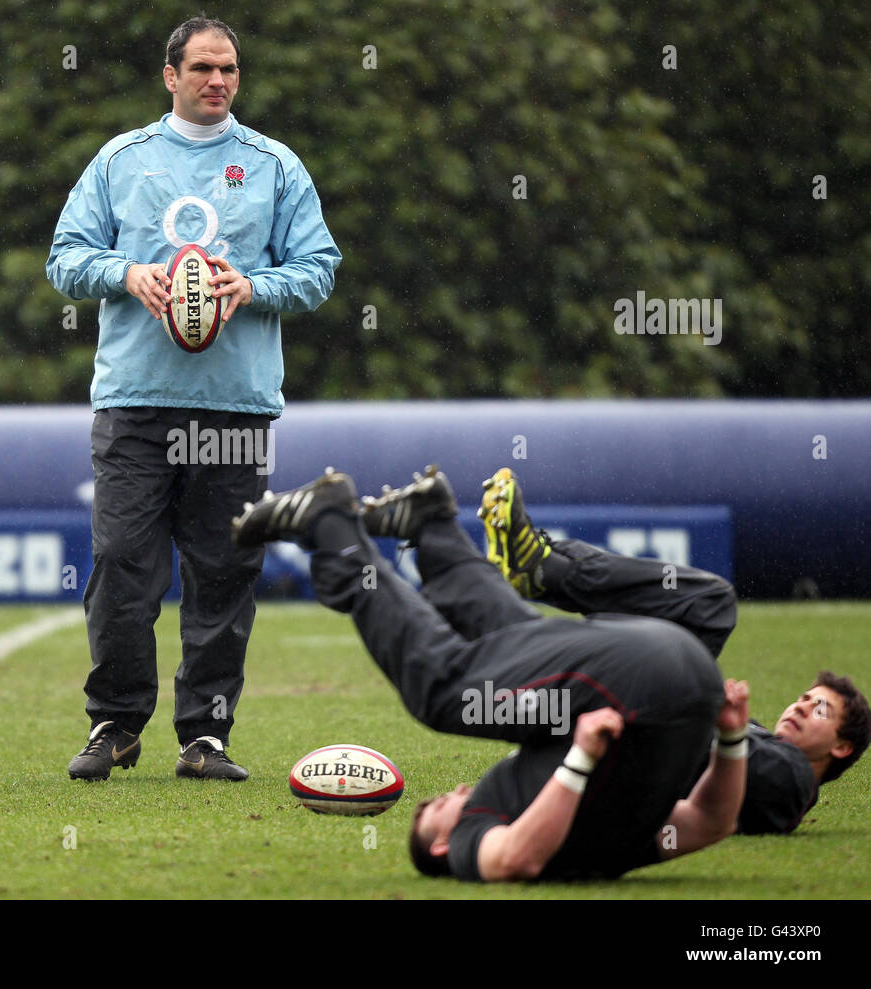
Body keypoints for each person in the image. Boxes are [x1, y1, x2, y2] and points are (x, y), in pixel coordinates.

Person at [46, 17, 341, 780]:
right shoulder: (122, 160)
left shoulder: (274, 166)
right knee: (121, 562)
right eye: (204, 68)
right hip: (135, 403)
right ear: (169, 74)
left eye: (230, 69)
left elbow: (318, 267)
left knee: (222, 571)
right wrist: (125, 273)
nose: (218, 81)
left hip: (234, 409)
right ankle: (114, 723)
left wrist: (256, 284)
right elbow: (65, 258)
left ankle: (205, 736)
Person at [232, 465, 748, 880]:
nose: (446, 795)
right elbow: (708, 821)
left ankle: (427, 531)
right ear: (444, 844)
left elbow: (704, 825)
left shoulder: (592, 833)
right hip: (652, 688)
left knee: (508, 645)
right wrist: (732, 741)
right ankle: (339, 530)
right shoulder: (478, 831)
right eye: (429, 809)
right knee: (444, 688)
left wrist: (583, 756)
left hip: (668, 681)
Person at [477, 466, 870, 834]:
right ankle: (539, 564)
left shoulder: (793, 778)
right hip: (623, 718)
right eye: (804, 697)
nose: (800, 705)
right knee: (676, 619)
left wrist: (701, 705)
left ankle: (543, 570)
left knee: (712, 605)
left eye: (820, 709)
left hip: (638, 727)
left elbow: (718, 785)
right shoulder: (768, 747)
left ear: (841, 747)